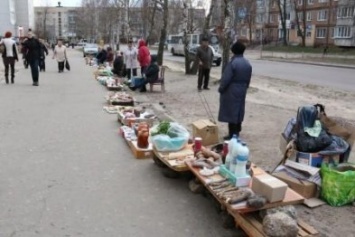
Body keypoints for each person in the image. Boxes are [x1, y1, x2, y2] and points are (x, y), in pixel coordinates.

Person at [218, 41, 252, 140]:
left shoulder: (233, 63)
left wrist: (221, 88)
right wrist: (245, 87)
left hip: (231, 89)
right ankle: (238, 129)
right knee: (239, 110)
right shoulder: (247, 63)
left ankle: (232, 133)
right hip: (242, 89)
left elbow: (226, 78)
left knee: (231, 111)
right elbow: (248, 78)